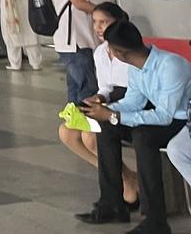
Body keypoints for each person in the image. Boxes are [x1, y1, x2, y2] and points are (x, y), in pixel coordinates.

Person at [79, 21, 191, 232]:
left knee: (143, 136)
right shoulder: (136, 66)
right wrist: (104, 110)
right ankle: (112, 204)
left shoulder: (171, 66)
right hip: (160, 116)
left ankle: (155, 220)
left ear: (119, 52)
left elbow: (165, 116)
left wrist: (114, 115)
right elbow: (134, 102)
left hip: (181, 118)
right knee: (107, 125)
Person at [59, 3, 138, 207]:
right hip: (111, 102)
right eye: (95, 22)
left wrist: (107, 105)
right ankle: (124, 176)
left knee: (90, 136)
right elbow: (105, 88)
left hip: (129, 105)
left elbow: (136, 93)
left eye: (104, 22)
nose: (98, 27)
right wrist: (97, 98)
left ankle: (124, 181)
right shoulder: (101, 53)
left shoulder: (130, 51)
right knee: (67, 132)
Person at [51, 0, 98, 103]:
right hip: (74, 41)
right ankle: (87, 119)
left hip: (76, 40)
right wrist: (105, 12)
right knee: (88, 88)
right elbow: (79, 3)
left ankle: (74, 118)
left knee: (76, 87)